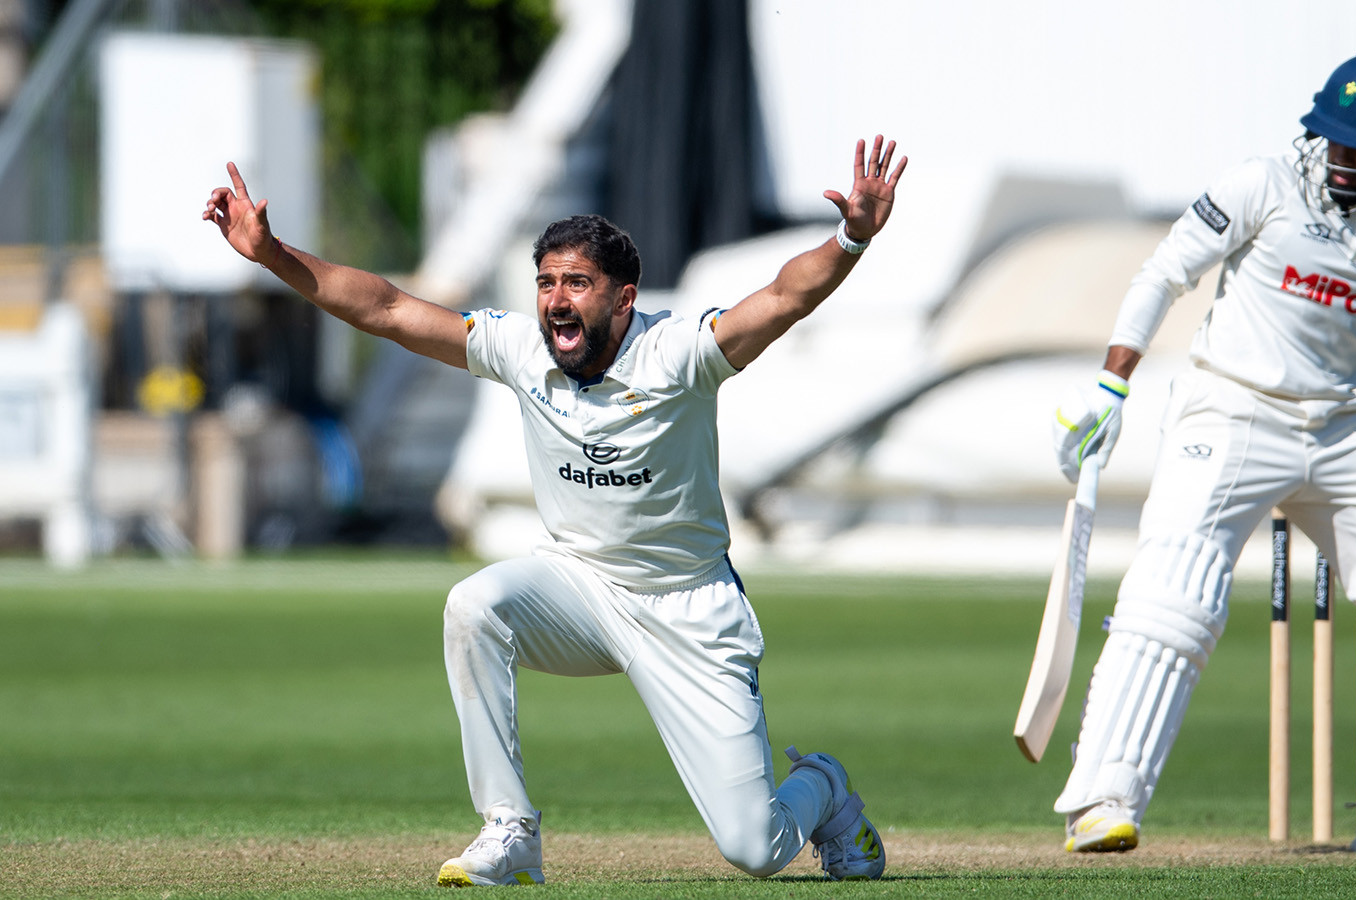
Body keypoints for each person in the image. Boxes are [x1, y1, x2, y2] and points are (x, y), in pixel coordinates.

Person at [203, 136, 907, 884]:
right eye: (545, 282)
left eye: (577, 283)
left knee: (754, 849)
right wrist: (273, 255)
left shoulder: (678, 353)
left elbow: (784, 297)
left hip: (687, 606)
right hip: (578, 587)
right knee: (474, 604)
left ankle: (823, 785)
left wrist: (850, 238)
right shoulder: (521, 348)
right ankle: (510, 831)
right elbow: (387, 308)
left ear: (623, 298)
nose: (556, 300)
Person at [1048, 53, 1356, 856]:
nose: (1341, 159)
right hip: (1231, 407)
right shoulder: (1263, 184)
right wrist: (1111, 386)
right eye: (1333, 141)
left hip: (1337, 426)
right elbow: (1165, 273)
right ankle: (1102, 799)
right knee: (1176, 589)